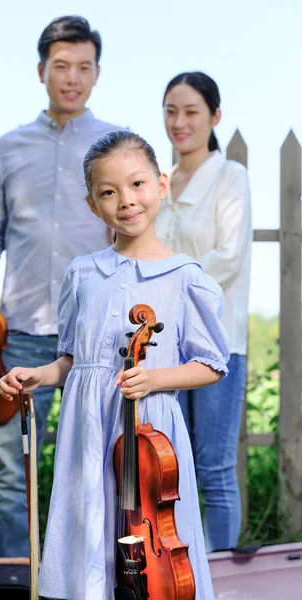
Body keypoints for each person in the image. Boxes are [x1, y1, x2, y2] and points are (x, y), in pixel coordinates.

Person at [0, 130, 230, 600]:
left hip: (148, 434)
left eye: (137, 184)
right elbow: (73, 359)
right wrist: (39, 376)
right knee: (89, 533)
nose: (126, 200)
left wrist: (156, 377)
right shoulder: (83, 274)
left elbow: (212, 364)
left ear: (161, 185)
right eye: (108, 192)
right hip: (87, 428)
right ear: (91, 204)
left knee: (157, 540)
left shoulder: (186, 278)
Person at [0, 15, 124, 558]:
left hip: (92, 337)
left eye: (83, 67)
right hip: (21, 333)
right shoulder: (9, 147)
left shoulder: (113, 145)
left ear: (97, 73)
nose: (71, 77)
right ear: (41, 70)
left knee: (92, 472)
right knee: (11, 472)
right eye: (60, 67)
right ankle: (9, 575)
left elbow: (127, 230)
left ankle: (81, 578)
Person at [156, 71, 252, 553]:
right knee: (172, 466)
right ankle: (182, 573)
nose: (180, 121)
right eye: (171, 110)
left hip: (217, 346)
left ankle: (222, 580)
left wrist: (167, 292)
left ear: (214, 116)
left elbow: (227, 259)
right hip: (163, 350)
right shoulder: (159, 182)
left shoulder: (231, 177)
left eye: (192, 111)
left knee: (213, 468)